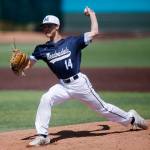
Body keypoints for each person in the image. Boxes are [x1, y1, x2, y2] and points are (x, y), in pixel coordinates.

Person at [24, 7, 148, 146]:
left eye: (49, 26)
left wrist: (92, 14)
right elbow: (27, 65)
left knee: (103, 109)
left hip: (79, 84)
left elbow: (95, 32)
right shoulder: (41, 49)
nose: (46, 29)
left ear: (57, 26)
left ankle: (132, 119)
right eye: (44, 27)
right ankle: (42, 135)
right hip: (63, 86)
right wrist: (18, 67)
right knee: (46, 98)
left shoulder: (72, 41)